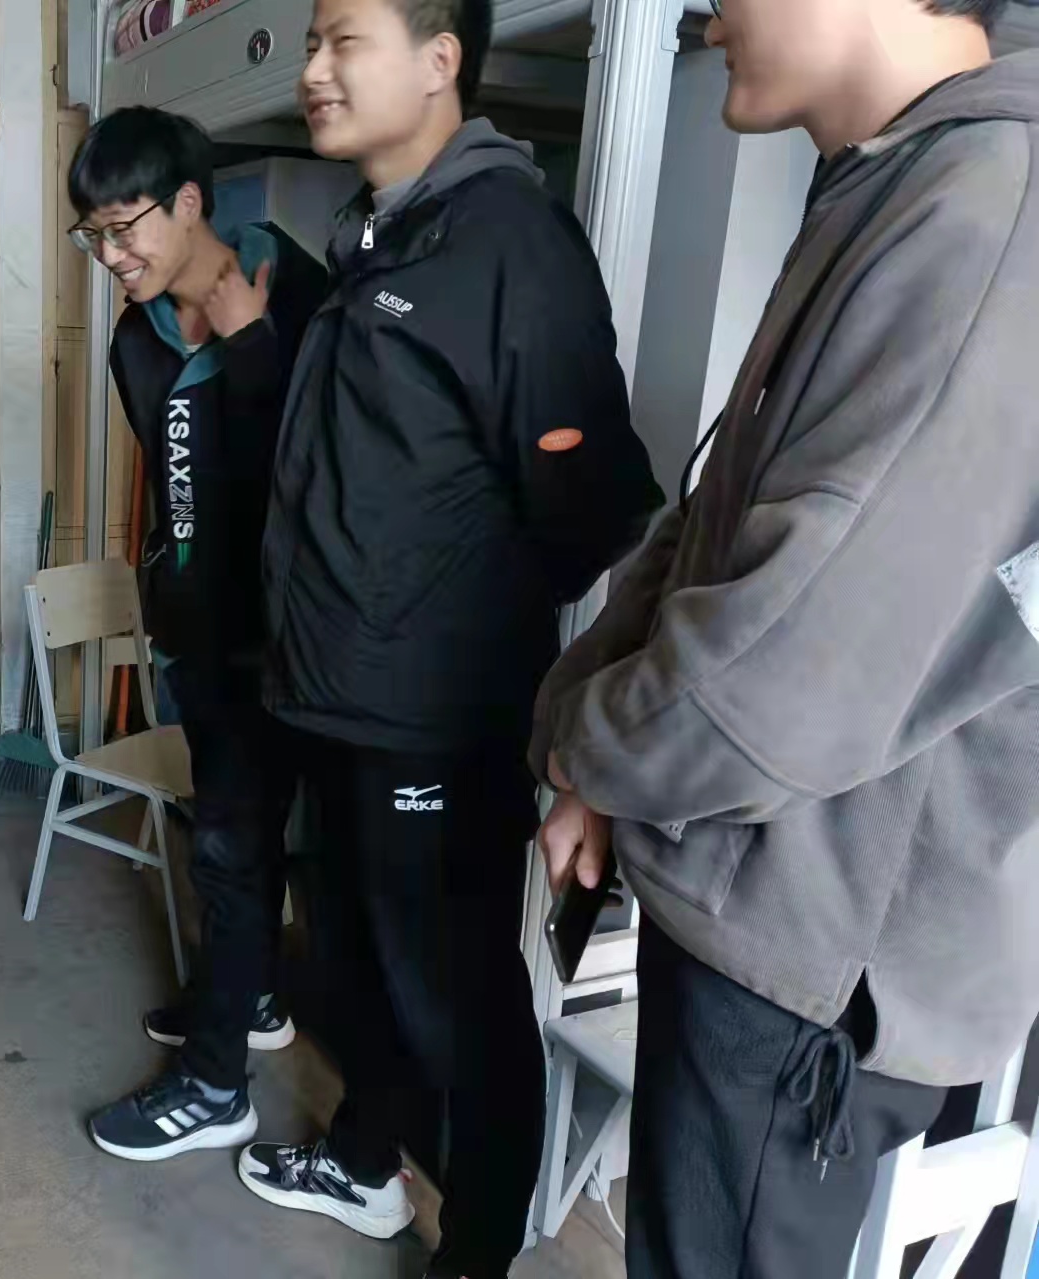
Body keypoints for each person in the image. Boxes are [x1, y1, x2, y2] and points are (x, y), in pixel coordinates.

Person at [530, 1, 1039, 1272]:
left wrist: (581, 748)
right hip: (767, 899)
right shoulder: (893, 179)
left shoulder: (984, 211)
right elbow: (714, 515)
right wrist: (594, 754)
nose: (708, 18)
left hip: (814, 958)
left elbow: (775, 680)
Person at [240, 0, 661, 1274]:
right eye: (309, 43)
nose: (312, 70)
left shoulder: (505, 242)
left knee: (457, 995)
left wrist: (446, 634)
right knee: (362, 962)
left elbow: (595, 506)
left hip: (429, 711)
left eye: (342, 40)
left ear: (439, 61)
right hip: (335, 692)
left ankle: (475, 1252)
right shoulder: (378, 233)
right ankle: (365, 1162)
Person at [63, 107, 331, 1162]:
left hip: (292, 642)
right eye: (92, 235)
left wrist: (252, 350)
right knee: (229, 840)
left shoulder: (301, 293)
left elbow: (332, 475)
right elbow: (176, 488)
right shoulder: (135, 338)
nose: (110, 256)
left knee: (231, 846)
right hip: (201, 636)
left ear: (188, 202)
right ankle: (245, 990)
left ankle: (216, 1085)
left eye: (123, 227)